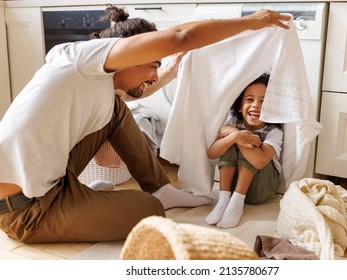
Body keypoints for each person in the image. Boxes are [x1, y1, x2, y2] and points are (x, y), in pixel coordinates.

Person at [0, 3, 291, 243]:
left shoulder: (95, 80)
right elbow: (180, 37)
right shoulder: (79, 58)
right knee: (150, 211)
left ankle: (158, 188)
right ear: (131, 53)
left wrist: (168, 73)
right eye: (153, 64)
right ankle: (121, 200)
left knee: (114, 109)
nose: (155, 73)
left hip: (50, 183)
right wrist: (252, 21)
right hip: (27, 209)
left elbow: (130, 95)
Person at [205, 74, 283, 228]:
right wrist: (234, 136)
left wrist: (240, 138)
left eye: (263, 101)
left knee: (249, 142)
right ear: (240, 107)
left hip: (260, 190)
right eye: (249, 99)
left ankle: (236, 204)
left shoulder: (275, 132)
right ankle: (223, 200)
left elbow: (260, 161)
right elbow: (212, 153)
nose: (256, 105)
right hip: (232, 186)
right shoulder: (233, 122)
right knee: (229, 141)